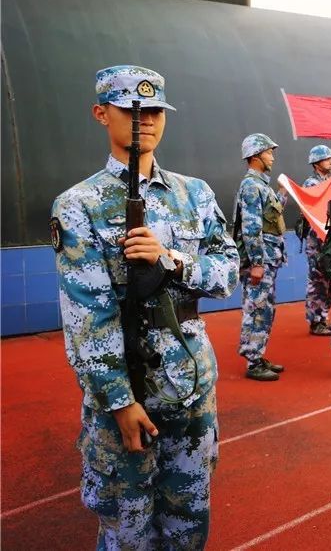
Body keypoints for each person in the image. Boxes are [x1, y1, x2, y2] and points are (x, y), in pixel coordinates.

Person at [52, 65, 239, 548]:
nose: (146, 120)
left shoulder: (193, 193)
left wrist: (173, 261)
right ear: (101, 114)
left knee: (189, 521)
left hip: (193, 385)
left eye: (155, 110)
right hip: (129, 392)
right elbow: (87, 318)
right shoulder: (80, 204)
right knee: (127, 528)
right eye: (132, 110)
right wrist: (118, 400)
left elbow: (228, 273)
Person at [235, 133, 288, 381]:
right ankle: (253, 360)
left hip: (269, 258)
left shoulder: (261, 185)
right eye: (268, 152)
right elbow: (251, 227)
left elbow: (272, 217)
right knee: (256, 307)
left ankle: (258, 353)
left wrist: (282, 194)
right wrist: (257, 263)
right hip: (261, 260)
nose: (272, 156)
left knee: (265, 308)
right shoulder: (251, 186)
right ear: (256, 156)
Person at [302, 144, 331, 337]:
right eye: (326, 159)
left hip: (328, 243)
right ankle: (315, 321)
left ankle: (322, 318)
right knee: (317, 282)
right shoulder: (311, 184)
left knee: (328, 282)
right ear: (316, 163)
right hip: (317, 243)